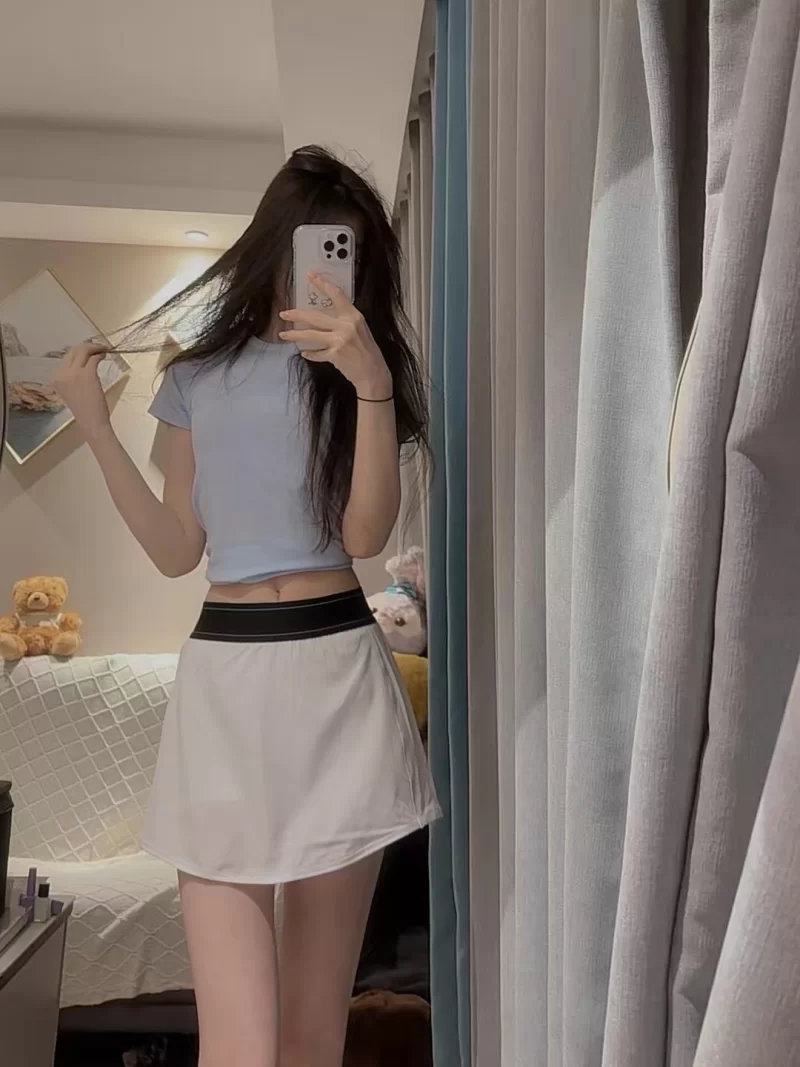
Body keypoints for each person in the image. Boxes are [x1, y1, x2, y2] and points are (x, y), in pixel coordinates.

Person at [54, 146, 441, 1067]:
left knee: (311, 1033)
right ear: (275, 244)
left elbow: (363, 535)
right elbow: (175, 548)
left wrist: (372, 385)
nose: (324, 270)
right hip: (225, 685)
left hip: (334, 677)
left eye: (346, 252)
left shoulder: (358, 374)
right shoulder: (195, 377)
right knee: (236, 1042)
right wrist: (96, 427)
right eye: (314, 244)